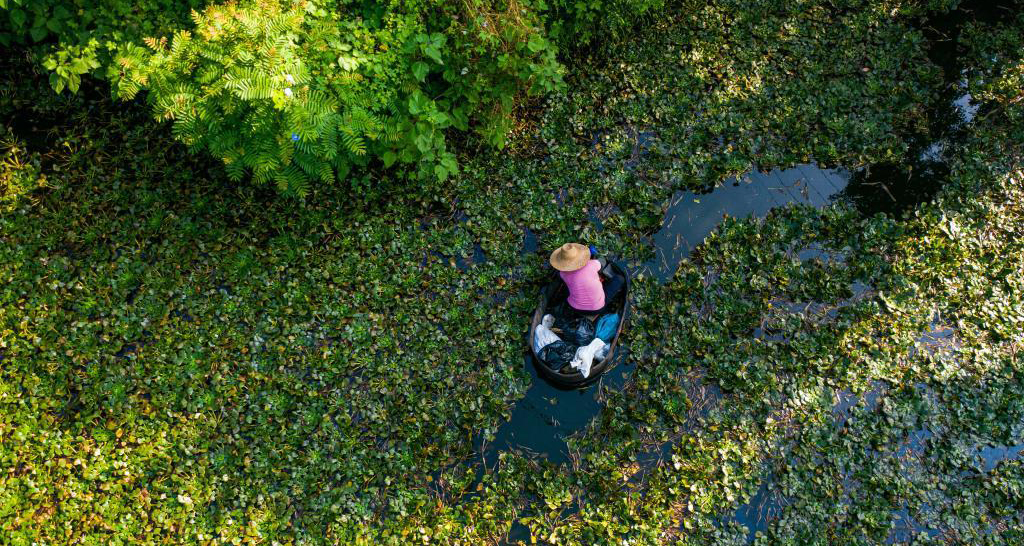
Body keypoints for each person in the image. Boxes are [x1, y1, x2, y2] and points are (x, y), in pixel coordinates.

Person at [549, 243, 624, 315]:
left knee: (571, 285)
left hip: (575, 308)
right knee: (620, 279)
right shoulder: (592, 264)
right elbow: (601, 265)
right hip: (597, 309)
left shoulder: (562, 273)